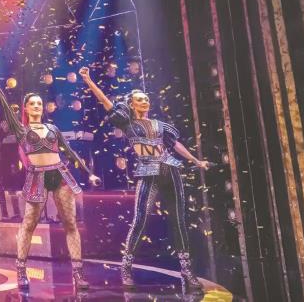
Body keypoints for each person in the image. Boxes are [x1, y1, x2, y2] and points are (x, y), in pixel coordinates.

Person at [80, 67, 209, 293]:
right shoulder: (127, 123)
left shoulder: (160, 124)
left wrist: (196, 161)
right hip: (147, 172)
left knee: (179, 220)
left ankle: (187, 271)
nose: (145, 102)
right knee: (140, 219)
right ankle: (126, 266)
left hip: (171, 170)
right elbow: (106, 103)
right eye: (140, 99)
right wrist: (89, 80)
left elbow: (175, 144)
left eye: (146, 99)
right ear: (131, 104)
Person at [0, 70, 100, 291]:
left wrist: (89, 173)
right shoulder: (21, 129)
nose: (37, 106)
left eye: (40, 103)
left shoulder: (53, 129)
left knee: (70, 223)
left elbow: (69, 152)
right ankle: (21, 269)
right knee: (29, 223)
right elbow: (7, 109)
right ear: (26, 108)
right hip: (37, 176)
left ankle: (78, 273)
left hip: (59, 174)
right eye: (33, 104)